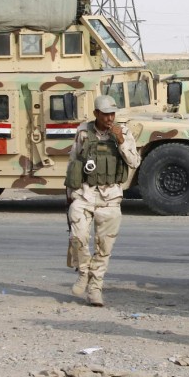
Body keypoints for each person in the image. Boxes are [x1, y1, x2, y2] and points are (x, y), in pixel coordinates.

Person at [66, 94, 141, 306]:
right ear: (96, 114)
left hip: (111, 196)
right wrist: (70, 194)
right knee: (78, 236)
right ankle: (83, 272)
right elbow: (74, 161)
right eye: (105, 115)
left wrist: (121, 142)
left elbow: (134, 161)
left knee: (104, 246)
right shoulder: (83, 132)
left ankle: (95, 287)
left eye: (112, 115)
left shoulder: (123, 132)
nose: (109, 119)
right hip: (85, 192)